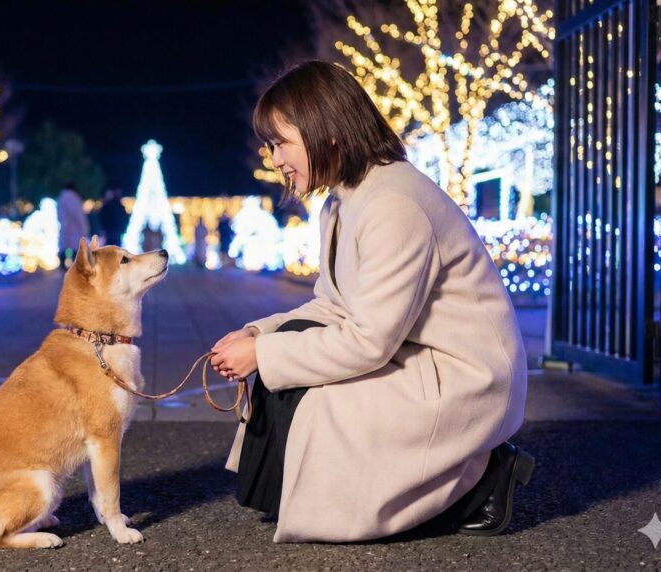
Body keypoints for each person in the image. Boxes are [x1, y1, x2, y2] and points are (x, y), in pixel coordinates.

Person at [210, 61, 533, 544]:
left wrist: (265, 354)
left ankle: (479, 475)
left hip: (462, 375)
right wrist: (261, 333)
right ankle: (435, 482)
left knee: (313, 397)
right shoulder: (343, 200)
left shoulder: (393, 204)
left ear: (327, 132)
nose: (274, 159)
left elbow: (368, 340)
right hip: (414, 354)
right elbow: (331, 305)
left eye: (280, 143)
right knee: (290, 364)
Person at [57, 183, 89, 269]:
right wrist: (84, 229)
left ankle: (62, 266)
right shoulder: (74, 198)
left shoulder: (61, 197)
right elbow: (78, 215)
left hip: (65, 226)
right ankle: (74, 268)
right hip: (74, 228)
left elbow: (59, 215)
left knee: (64, 246)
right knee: (75, 248)